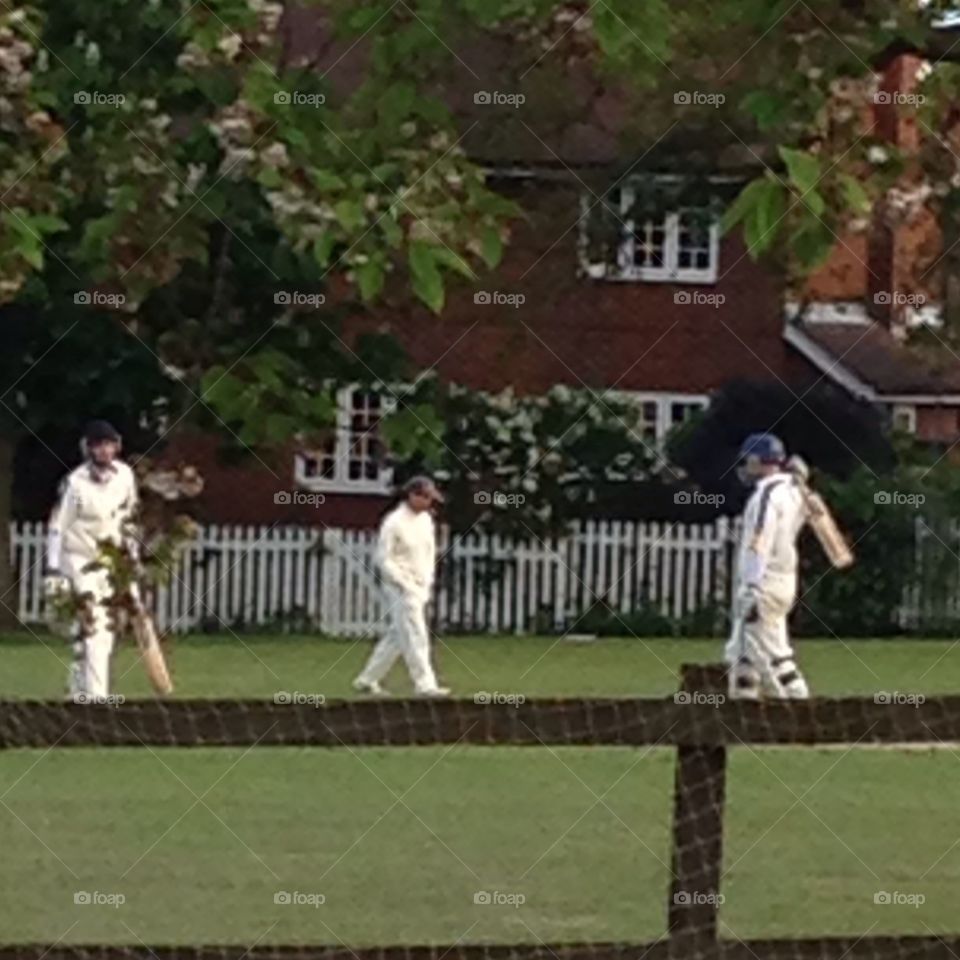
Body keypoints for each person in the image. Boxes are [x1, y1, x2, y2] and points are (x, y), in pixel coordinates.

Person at [44, 420, 139, 701]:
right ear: (88, 449)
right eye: (98, 446)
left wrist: (130, 561)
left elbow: (128, 520)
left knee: (98, 629)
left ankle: (78, 689)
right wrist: (53, 570)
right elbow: (57, 527)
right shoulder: (75, 483)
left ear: (117, 447)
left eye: (109, 445)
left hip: (109, 562)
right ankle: (97, 698)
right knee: (94, 623)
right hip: (77, 559)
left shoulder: (125, 476)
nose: (104, 451)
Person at [724, 433, 811, 700]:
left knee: (774, 654)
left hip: (764, 583)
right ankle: (744, 714)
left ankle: (801, 707)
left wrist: (751, 585)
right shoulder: (793, 492)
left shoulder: (767, 495)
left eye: (748, 461)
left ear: (759, 461)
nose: (744, 468)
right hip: (783, 580)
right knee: (740, 653)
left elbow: (760, 540)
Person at [353, 475, 450, 697]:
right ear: (412, 496)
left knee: (397, 636)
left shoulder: (426, 520)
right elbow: (383, 558)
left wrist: (427, 581)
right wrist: (403, 583)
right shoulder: (394, 521)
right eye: (425, 497)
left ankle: (367, 680)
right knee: (417, 634)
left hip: (420, 585)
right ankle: (425, 684)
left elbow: (427, 553)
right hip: (399, 587)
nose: (429, 502)